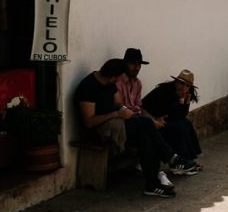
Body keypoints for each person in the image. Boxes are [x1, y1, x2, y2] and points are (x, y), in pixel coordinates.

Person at [75, 59, 181, 198]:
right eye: (119, 77)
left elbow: (118, 103)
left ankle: (152, 184)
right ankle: (169, 156)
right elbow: (89, 122)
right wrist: (117, 113)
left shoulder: (109, 83)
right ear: (114, 76)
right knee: (147, 124)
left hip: (117, 123)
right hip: (101, 130)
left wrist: (124, 110)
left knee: (147, 139)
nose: (120, 80)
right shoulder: (88, 87)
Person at [116, 48, 178, 188]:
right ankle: (169, 157)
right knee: (147, 125)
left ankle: (154, 177)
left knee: (150, 135)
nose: (136, 68)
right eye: (133, 64)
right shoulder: (118, 82)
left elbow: (139, 108)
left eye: (139, 65)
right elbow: (120, 108)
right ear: (125, 63)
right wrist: (150, 121)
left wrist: (154, 121)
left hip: (138, 121)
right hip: (123, 122)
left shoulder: (137, 83)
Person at [142, 69, 203, 173]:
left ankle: (187, 159)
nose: (183, 87)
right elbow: (163, 111)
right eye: (181, 83)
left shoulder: (185, 95)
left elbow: (181, 115)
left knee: (186, 123)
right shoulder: (164, 91)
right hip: (153, 120)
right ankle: (178, 163)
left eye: (187, 86)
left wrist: (184, 101)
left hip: (166, 119)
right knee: (178, 127)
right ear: (176, 82)